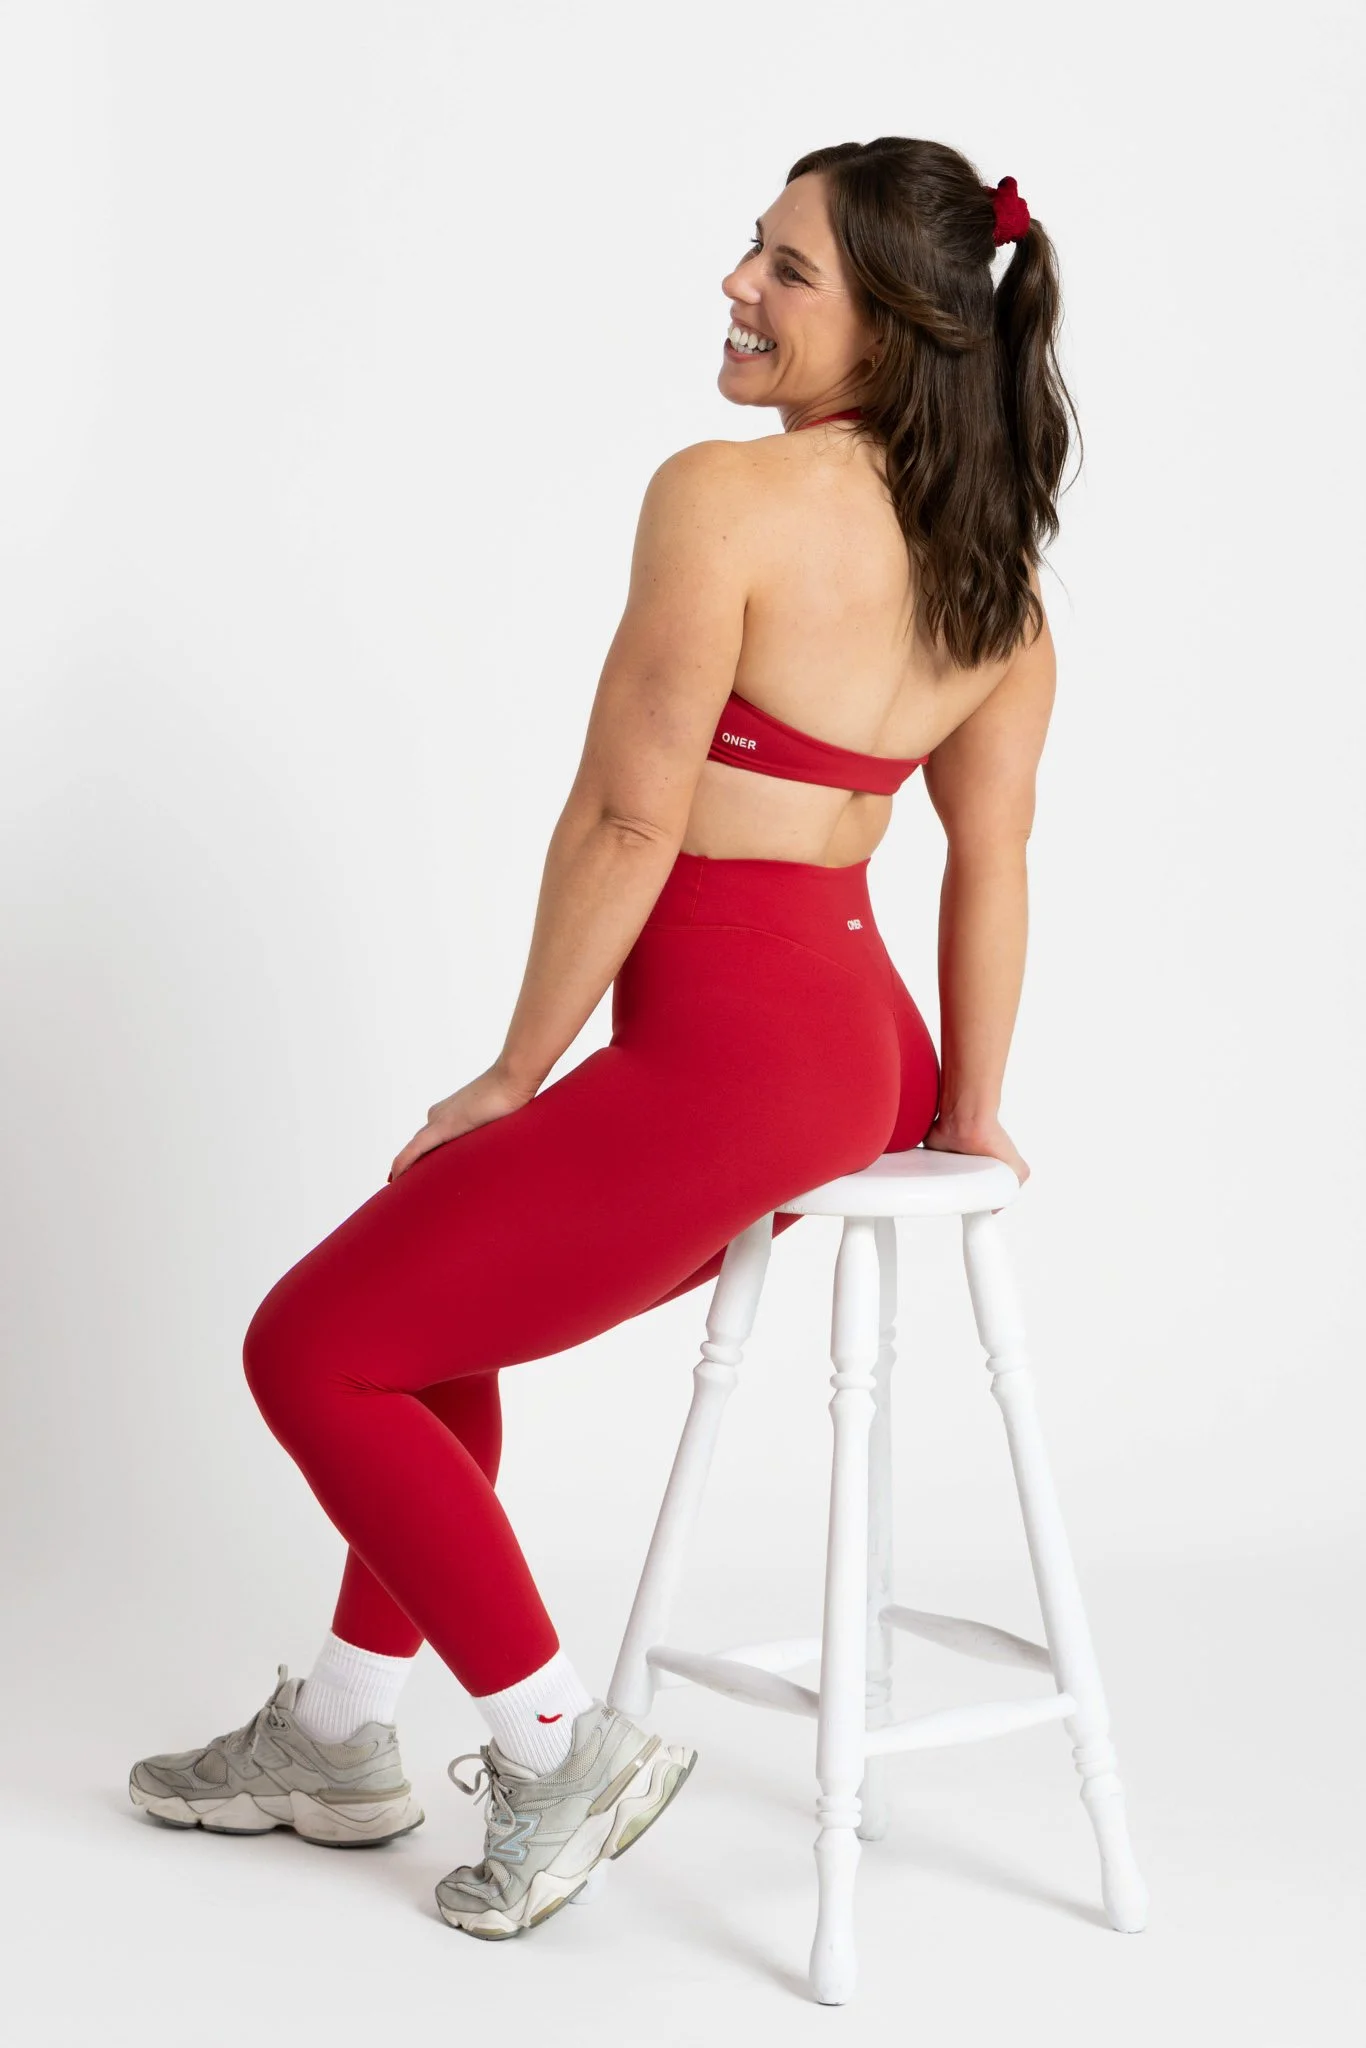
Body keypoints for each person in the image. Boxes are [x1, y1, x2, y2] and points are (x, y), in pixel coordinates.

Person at [128, 136, 1070, 1942]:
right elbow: (990, 867)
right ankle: (338, 1732)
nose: (738, 286)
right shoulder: (996, 581)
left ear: (900, 323)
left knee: (311, 1350)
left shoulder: (723, 496)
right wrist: (969, 1107)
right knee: (418, 1306)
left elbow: (630, 822)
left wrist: (513, 1070)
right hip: (848, 1040)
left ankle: (555, 1742)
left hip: (731, 1053)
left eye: (788, 271)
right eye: (752, 251)